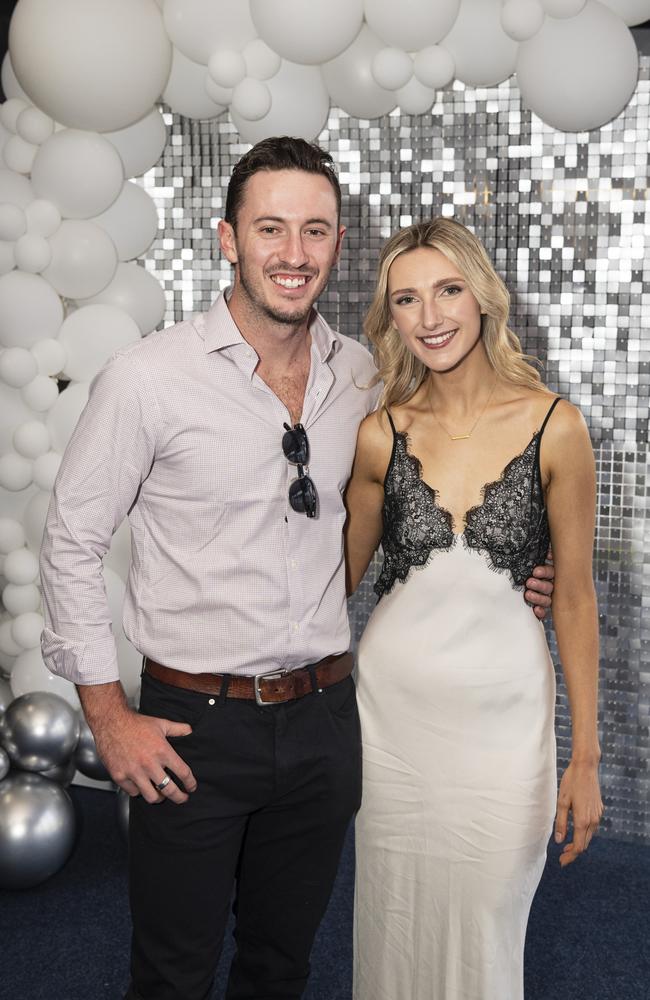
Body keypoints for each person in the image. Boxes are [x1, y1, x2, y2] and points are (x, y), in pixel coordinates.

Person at [39, 139, 554, 1000]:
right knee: (173, 973)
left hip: (324, 722)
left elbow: (427, 488)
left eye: (314, 230)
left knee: (282, 967)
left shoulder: (364, 374)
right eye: (270, 228)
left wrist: (511, 567)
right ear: (227, 239)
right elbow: (71, 540)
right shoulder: (146, 380)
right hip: (191, 725)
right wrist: (106, 713)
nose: (293, 253)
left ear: (338, 244)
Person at [344, 217, 603, 1000]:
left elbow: (579, 601)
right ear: (390, 318)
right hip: (391, 727)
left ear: (483, 296)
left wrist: (584, 758)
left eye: (448, 290)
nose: (431, 317)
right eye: (408, 300)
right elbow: (327, 589)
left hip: (502, 725)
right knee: (392, 922)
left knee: (488, 927)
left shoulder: (557, 427)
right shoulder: (378, 436)